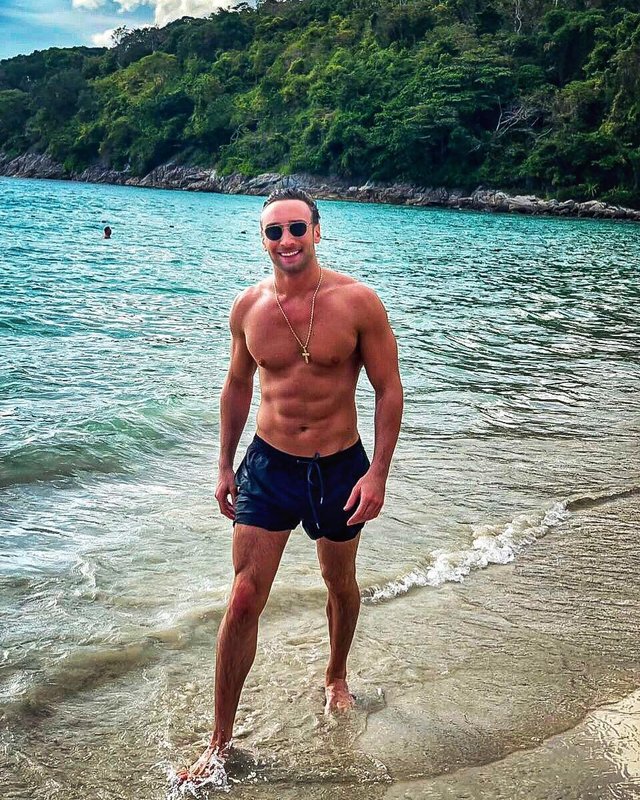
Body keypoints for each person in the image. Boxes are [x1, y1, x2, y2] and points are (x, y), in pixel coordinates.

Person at [178, 188, 403, 783]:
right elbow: (236, 387)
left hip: (339, 468)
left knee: (340, 582)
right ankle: (219, 741)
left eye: (296, 228)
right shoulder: (249, 308)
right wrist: (224, 465)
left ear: (317, 232)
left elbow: (388, 389)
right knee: (243, 598)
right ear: (263, 240)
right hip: (269, 466)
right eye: (274, 231)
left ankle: (336, 674)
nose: (286, 240)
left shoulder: (358, 303)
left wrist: (378, 473)